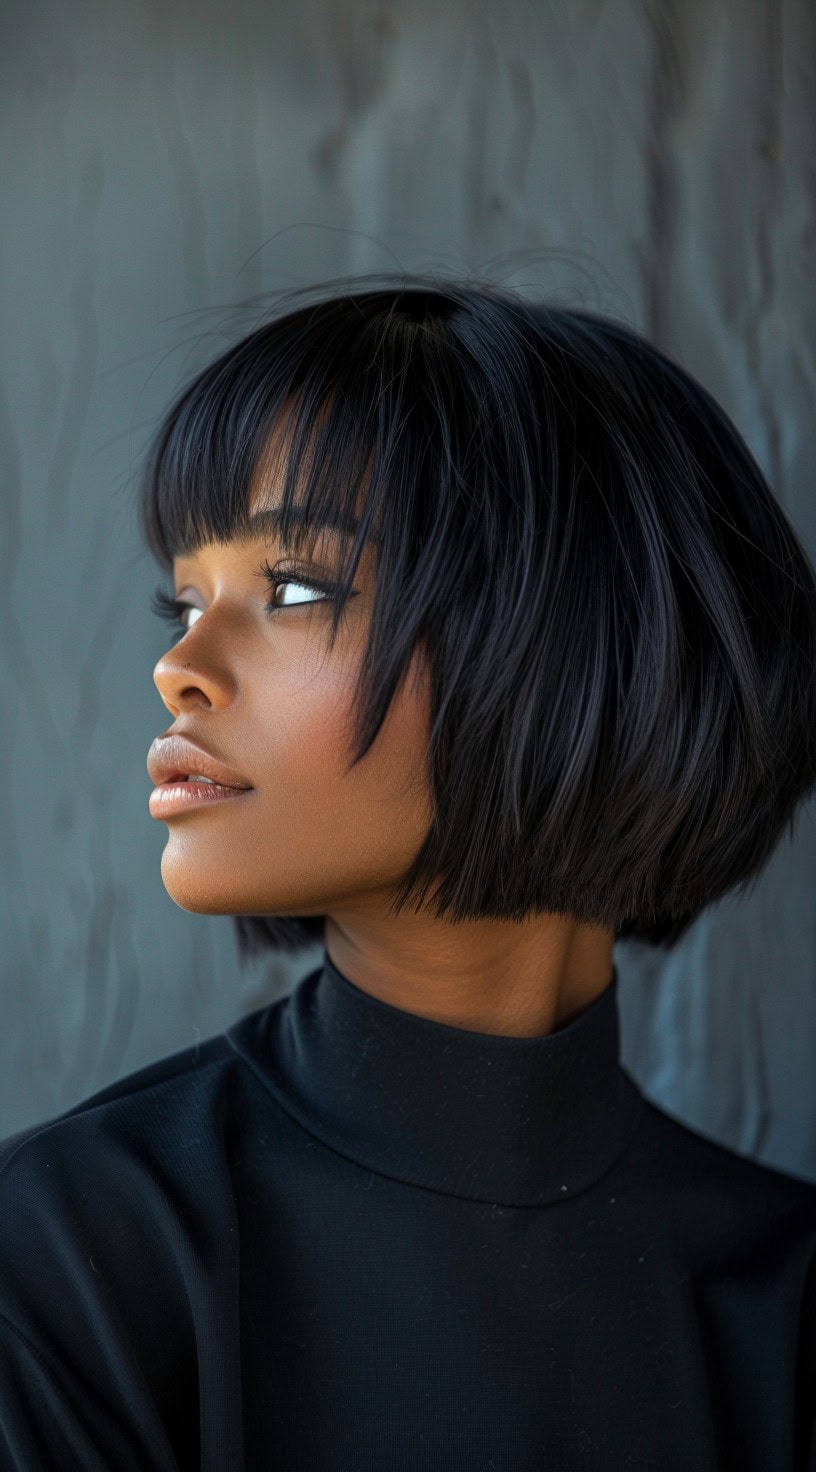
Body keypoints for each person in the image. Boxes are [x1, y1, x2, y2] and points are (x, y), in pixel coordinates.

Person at [1, 273, 815, 1468]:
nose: (181, 665)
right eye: (183, 599)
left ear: (570, 635)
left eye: (294, 588)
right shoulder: (66, 1257)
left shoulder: (783, 1295)